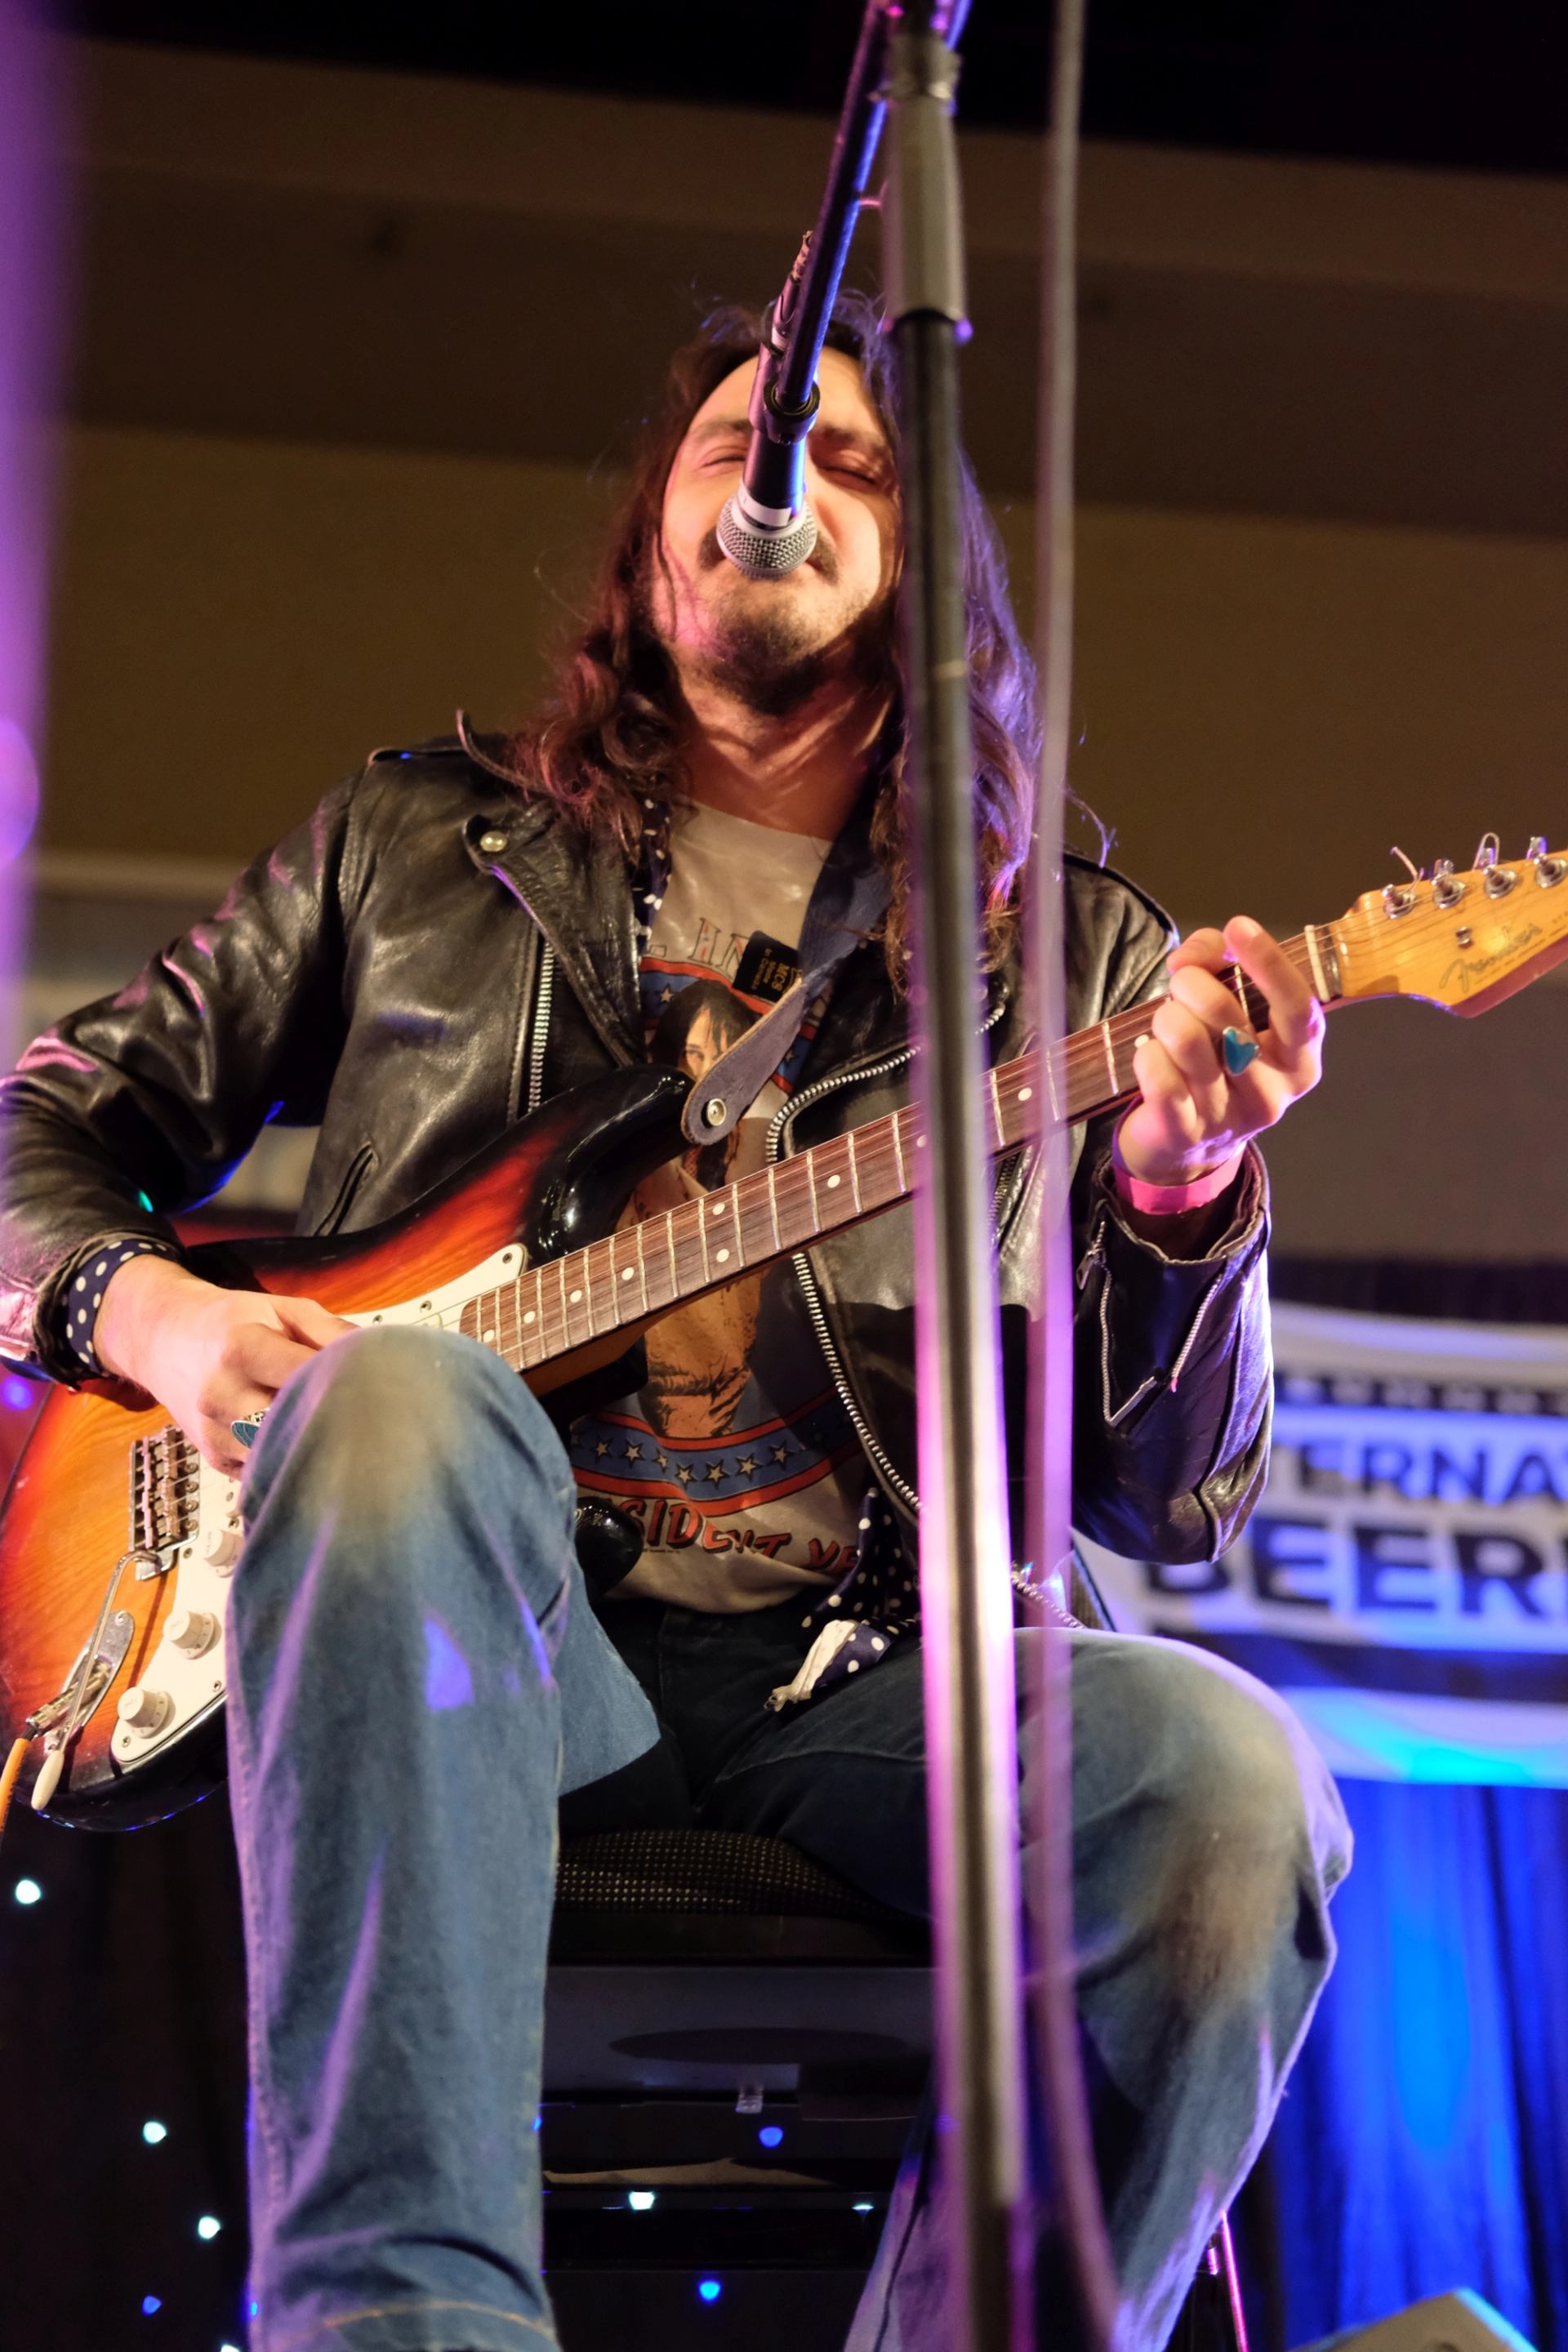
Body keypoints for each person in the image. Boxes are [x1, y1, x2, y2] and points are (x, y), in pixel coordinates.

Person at [0, 297, 1351, 2352]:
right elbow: (39, 1137)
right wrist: (165, 1324)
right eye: (733, 443)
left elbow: (1180, 1497)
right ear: (655, 544)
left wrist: (1181, 1196)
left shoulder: (1075, 964)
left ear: (926, 576)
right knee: (394, 1407)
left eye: (848, 460)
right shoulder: (417, 850)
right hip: (495, 1653)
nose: (777, 475)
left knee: (1239, 1787)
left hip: (884, 1690)